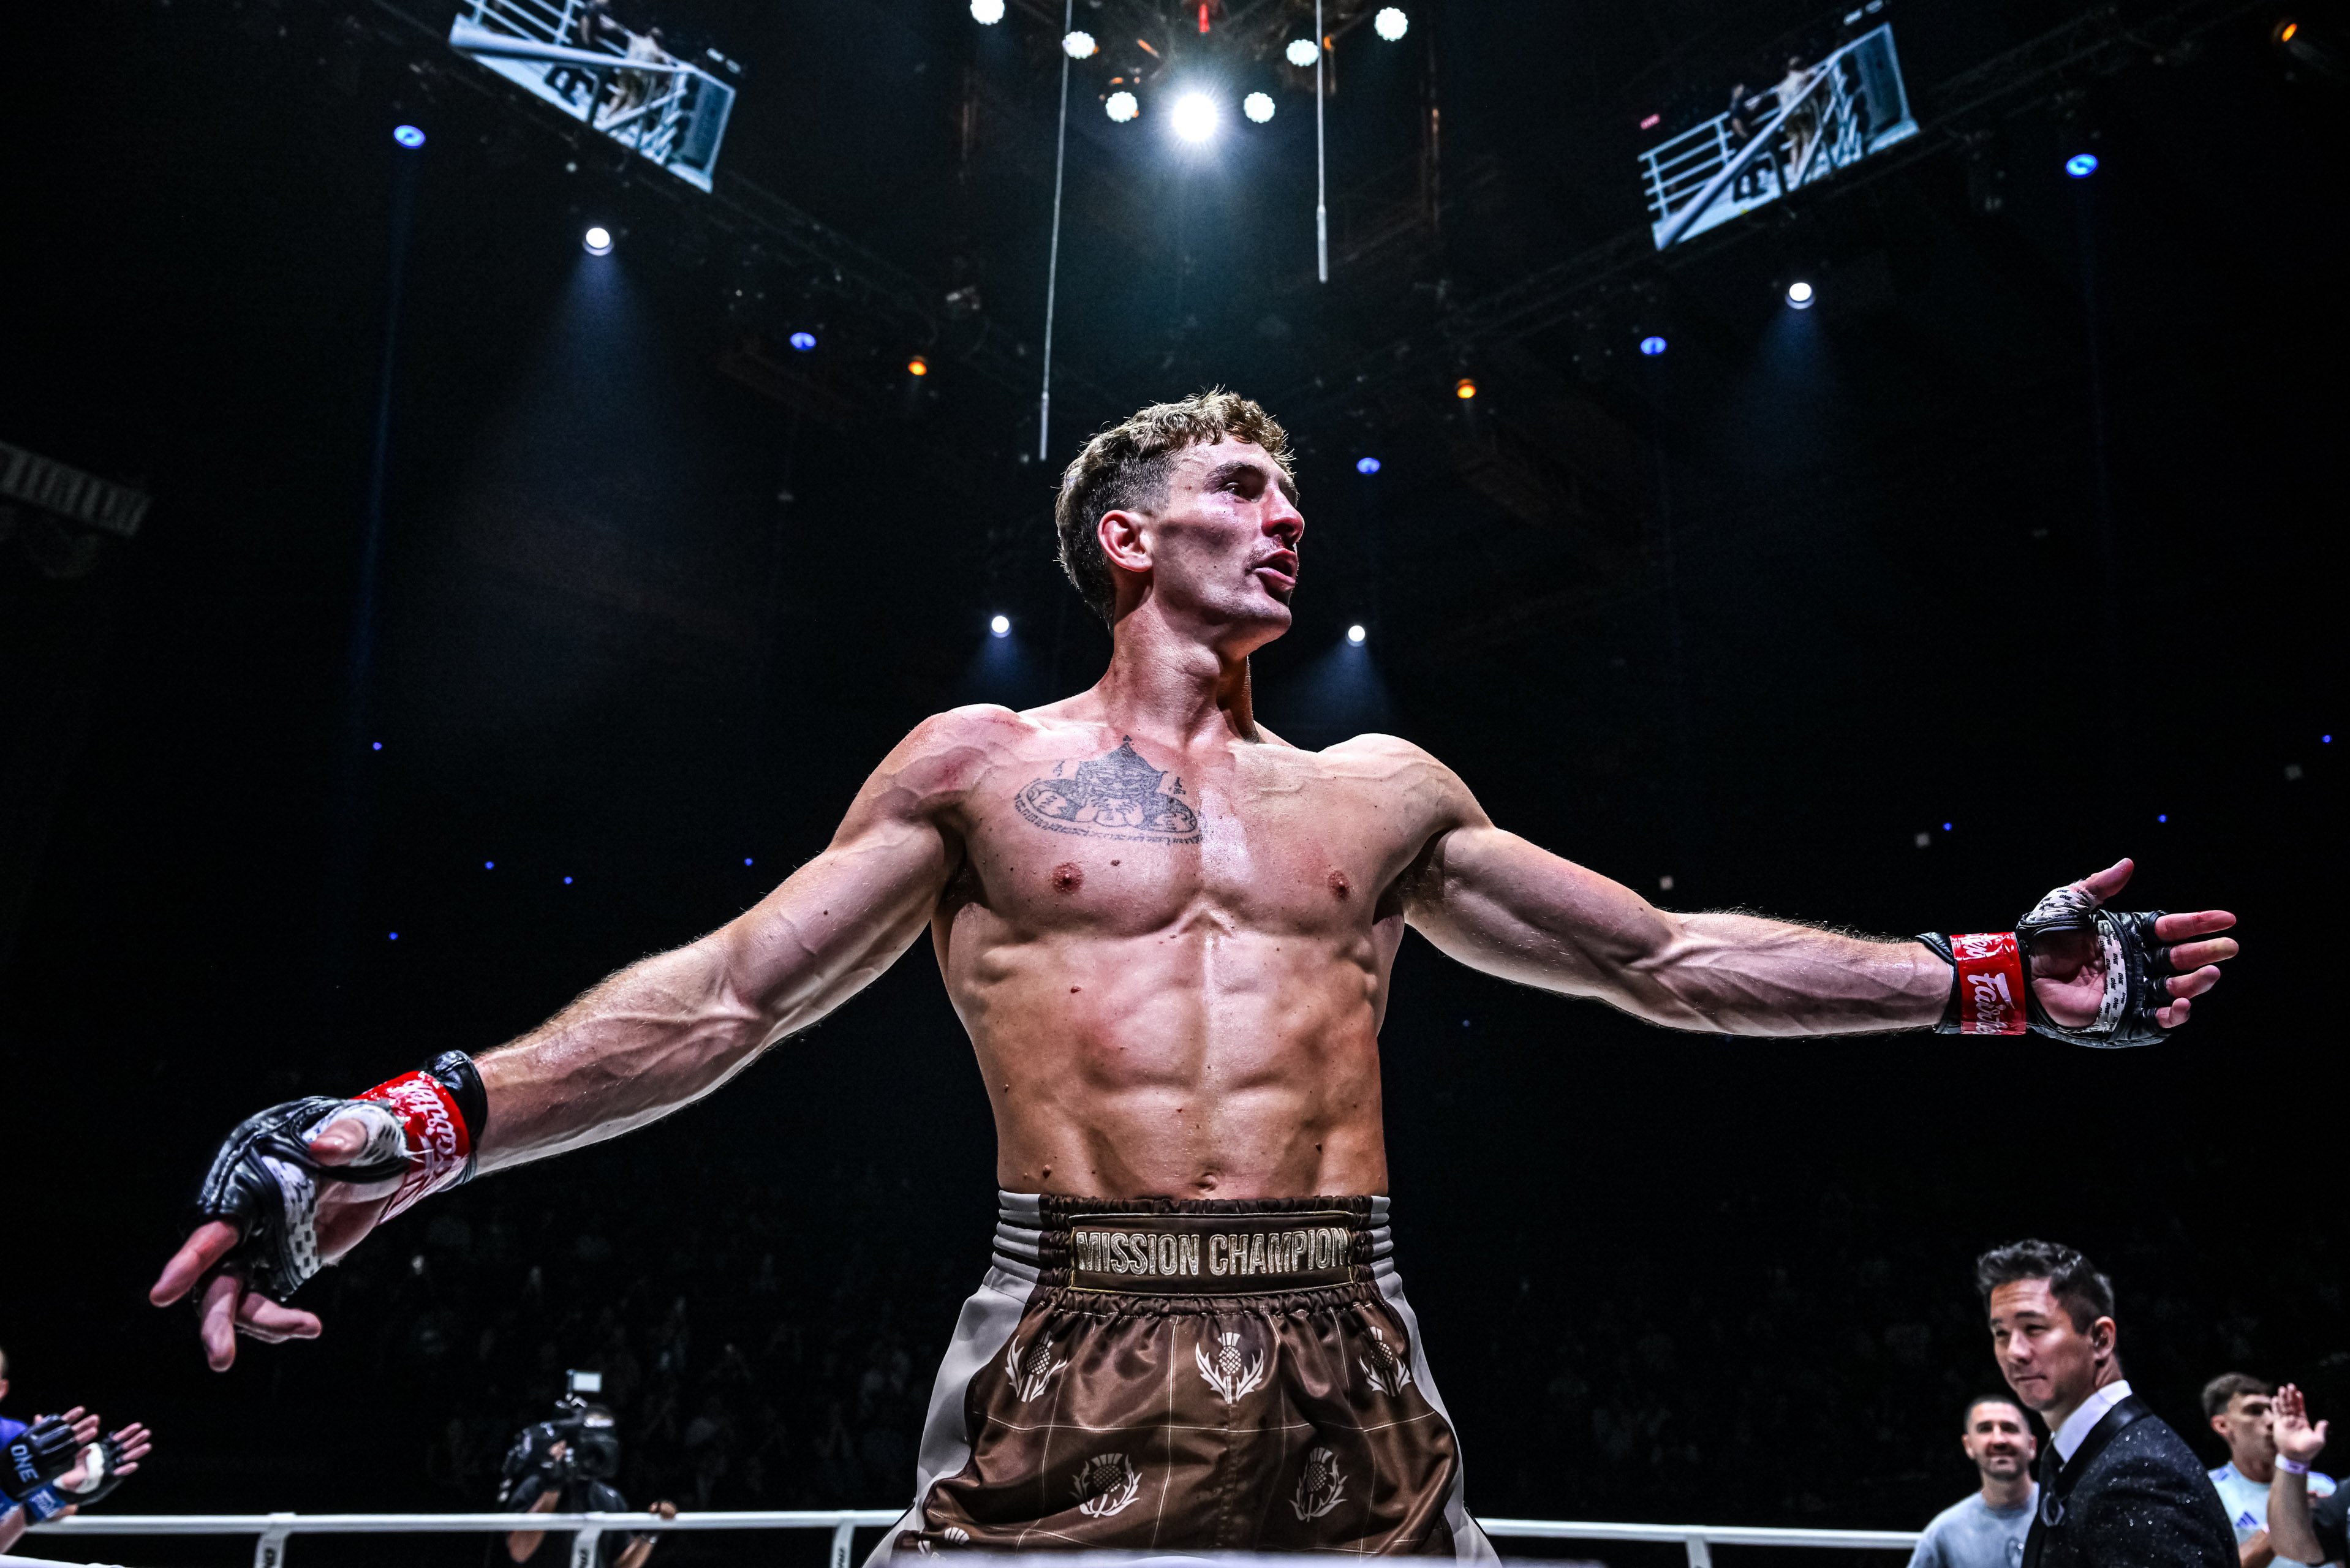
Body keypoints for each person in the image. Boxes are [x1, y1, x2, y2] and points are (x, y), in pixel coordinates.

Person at [149, 392, 2241, 1559]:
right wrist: (420, 1126)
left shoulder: (1383, 792)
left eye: (1300, 490)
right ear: (1124, 534)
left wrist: (1978, 982)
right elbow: (722, 1002)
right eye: (1243, 485)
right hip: (1070, 1321)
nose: (1289, 513)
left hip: (1352, 1330)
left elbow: (1673, 960)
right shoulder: (980, 770)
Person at [1978, 1240, 2235, 1568]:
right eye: (2001, 1334)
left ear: (2101, 1340)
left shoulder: (2137, 1475)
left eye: (2034, 1328)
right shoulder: (2084, 1456)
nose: (2015, 1352)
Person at [0, 1349, 156, 1557]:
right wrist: (7, 1490)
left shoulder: (13, 1437)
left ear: (1, 1389)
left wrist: (58, 1489)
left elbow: (62, 1509)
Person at [499, 1396, 675, 1568]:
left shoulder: (610, 1499)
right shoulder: (535, 1487)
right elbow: (519, 1553)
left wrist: (650, 1535)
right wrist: (552, 1489)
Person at [2206, 1374, 2339, 1564]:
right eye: (2254, 1411)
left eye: (2272, 1410)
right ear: (2222, 1425)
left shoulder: (2322, 1485)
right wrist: (2290, 1517)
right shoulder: (2210, 1493)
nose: (2271, 1421)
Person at [1911, 1395, 2040, 1568]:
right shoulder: (1944, 1533)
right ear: (1969, 1445)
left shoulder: (2066, 1513)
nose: (1999, 1440)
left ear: (2032, 1445)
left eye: (2009, 1428)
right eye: (1985, 1429)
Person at [2267, 1384, 2341, 1566]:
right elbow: (2293, 1548)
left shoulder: (2323, 1483)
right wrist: (2293, 1460)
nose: (2268, 1421)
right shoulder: (2349, 1492)